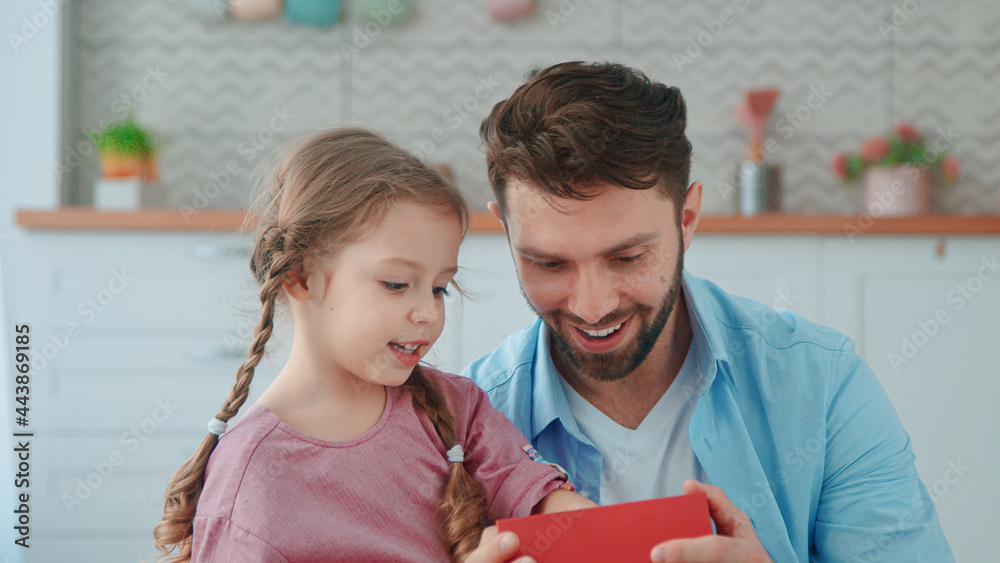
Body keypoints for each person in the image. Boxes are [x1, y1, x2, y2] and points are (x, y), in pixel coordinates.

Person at [461, 62, 954, 562]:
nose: (593, 306)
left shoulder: (822, 385)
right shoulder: (455, 424)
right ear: (504, 229)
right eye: (548, 263)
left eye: (628, 257)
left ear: (687, 219)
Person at [152, 128, 592, 563]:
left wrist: (593, 529)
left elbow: (539, 497)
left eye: (440, 288)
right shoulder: (253, 480)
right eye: (397, 284)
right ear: (301, 277)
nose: (428, 313)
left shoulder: (459, 408)